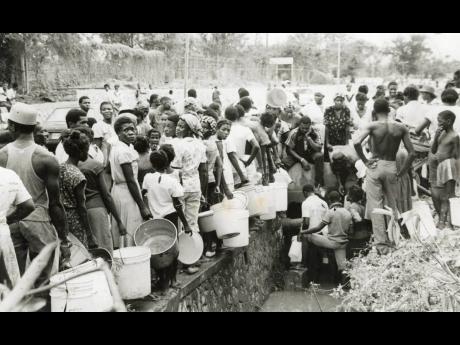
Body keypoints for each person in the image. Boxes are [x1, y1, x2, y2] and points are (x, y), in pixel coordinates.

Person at [0, 103, 71, 279]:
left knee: (15, 279)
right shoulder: (46, 158)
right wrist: (63, 238)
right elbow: (55, 203)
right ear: (34, 127)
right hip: (38, 221)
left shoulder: (2, 155)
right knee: (44, 280)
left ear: (12, 126)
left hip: (12, 220)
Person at [353, 99, 415, 254]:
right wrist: (403, 171)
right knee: (392, 204)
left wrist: (366, 161)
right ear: (389, 110)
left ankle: (381, 244)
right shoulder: (400, 127)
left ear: (374, 111)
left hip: (375, 165)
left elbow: (356, 143)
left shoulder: (372, 126)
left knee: (376, 205)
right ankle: (394, 239)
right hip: (391, 165)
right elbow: (412, 153)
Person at [142, 149, 190, 289]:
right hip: (171, 217)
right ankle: (173, 280)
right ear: (167, 163)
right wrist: (186, 224)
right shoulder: (172, 181)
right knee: (173, 250)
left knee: (158, 249)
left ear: (152, 164)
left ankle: (161, 279)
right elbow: (177, 205)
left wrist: (147, 211)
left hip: (154, 218)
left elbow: (143, 194)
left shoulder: (147, 178)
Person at [76, 127, 125, 253]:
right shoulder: (94, 165)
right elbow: (106, 196)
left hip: (78, 211)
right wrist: (119, 221)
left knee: (87, 249)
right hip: (96, 209)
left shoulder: (68, 166)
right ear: (88, 145)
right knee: (103, 248)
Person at [109, 116, 152, 248]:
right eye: (126, 130)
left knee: (126, 225)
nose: (131, 132)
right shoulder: (122, 151)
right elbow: (130, 180)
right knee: (131, 226)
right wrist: (142, 206)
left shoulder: (125, 147)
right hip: (126, 193)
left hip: (121, 190)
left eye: (133, 129)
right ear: (118, 133)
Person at [299, 191, 352, 286]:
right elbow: (351, 231)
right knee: (342, 267)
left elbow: (318, 228)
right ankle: (345, 285)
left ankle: (303, 263)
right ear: (340, 199)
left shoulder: (331, 212)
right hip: (342, 243)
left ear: (330, 200)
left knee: (309, 236)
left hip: (331, 242)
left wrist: (304, 232)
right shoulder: (347, 212)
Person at [59, 130, 97, 249]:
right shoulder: (78, 176)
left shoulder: (60, 167)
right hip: (75, 220)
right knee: (80, 253)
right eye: (87, 149)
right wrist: (90, 235)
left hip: (60, 217)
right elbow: (81, 207)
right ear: (80, 152)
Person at [0, 166, 35, 289]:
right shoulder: (9, 175)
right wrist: (5, 221)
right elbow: (28, 205)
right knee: (7, 287)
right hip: (3, 236)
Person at [430, 110, 460, 229]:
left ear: (449, 121)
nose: (438, 124)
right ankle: (445, 220)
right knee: (440, 195)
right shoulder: (441, 134)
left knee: (448, 195)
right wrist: (436, 136)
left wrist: (458, 173)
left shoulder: (454, 136)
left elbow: (458, 156)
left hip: (449, 165)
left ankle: (446, 222)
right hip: (441, 166)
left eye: (440, 121)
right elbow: (433, 150)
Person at [283, 116, 324, 188]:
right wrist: (302, 160)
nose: (305, 130)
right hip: (298, 154)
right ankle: (284, 185)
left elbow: (319, 149)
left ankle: (319, 183)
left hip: (311, 153)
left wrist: (309, 139)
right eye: (302, 128)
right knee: (283, 164)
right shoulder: (294, 132)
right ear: (299, 125)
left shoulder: (315, 131)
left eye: (307, 128)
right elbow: (289, 149)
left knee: (320, 157)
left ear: (310, 125)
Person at [225, 105, 260, 185]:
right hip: (241, 165)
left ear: (225, 116)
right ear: (237, 116)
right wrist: (248, 161)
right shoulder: (245, 129)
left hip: (228, 169)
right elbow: (256, 146)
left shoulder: (224, 130)